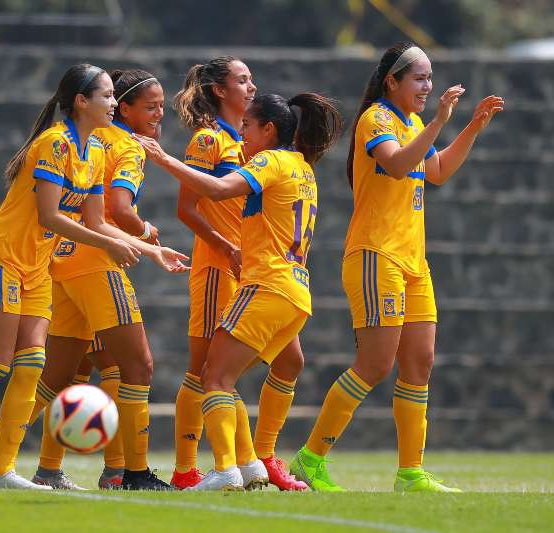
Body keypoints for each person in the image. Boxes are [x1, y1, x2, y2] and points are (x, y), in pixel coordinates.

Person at [0, 63, 188, 490]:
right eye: (106, 96)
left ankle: (2, 470)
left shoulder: (96, 150)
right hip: (1, 258)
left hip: (39, 266)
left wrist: (151, 250)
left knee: (33, 365)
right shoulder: (54, 144)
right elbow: (50, 216)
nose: (113, 103)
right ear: (81, 102)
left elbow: (100, 222)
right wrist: (114, 244)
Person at [288, 42, 504, 493]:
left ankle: (410, 473)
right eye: (420, 78)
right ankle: (310, 459)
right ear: (393, 81)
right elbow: (400, 165)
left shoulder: (413, 122)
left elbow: (437, 170)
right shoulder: (377, 120)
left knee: (419, 363)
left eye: (430, 78)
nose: (428, 86)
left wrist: (471, 128)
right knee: (375, 364)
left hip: (413, 261)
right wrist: (441, 122)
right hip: (375, 255)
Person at [137, 91, 342, 490]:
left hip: (266, 285)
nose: (243, 133)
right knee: (228, 375)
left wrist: (163, 159)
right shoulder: (302, 166)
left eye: (249, 125)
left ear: (269, 130)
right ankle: (252, 463)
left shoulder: (270, 160)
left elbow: (217, 190)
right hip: (296, 295)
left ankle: (226, 469)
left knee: (213, 378)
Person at [169, 56, 307, 491]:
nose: (251, 86)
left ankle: (256, 458)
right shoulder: (210, 141)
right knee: (206, 370)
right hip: (220, 266)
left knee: (288, 361)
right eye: (242, 80)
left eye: (252, 79)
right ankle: (189, 467)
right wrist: (225, 246)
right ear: (219, 90)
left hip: (259, 274)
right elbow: (187, 209)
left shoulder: (262, 152)